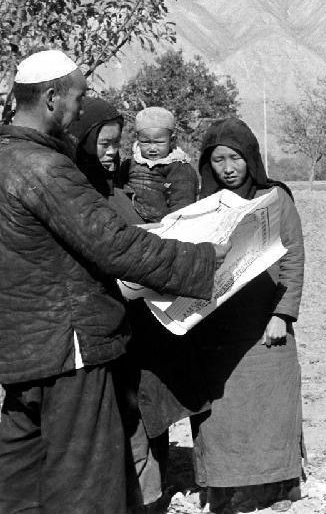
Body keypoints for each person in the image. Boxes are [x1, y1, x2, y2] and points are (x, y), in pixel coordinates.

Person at [0, 50, 224, 514]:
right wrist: (202, 259)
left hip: (20, 351)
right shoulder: (45, 168)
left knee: (21, 476)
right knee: (85, 482)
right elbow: (115, 245)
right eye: (79, 98)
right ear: (52, 97)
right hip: (70, 350)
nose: (81, 108)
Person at [189, 118, 305, 513]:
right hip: (216, 328)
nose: (228, 168)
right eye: (218, 159)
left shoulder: (276, 199)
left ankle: (277, 486)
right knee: (221, 414)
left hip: (265, 322)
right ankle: (224, 488)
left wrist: (282, 315)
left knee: (273, 407)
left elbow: (293, 258)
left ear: (250, 157)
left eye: (235, 158)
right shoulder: (202, 206)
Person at [122, 106, 199, 222]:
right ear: (138, 139)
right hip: (130, 218)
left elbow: (183, 201)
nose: (152, 148)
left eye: (159, 142)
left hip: (161, 223)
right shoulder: (130, 163)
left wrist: (174, 223)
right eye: (146, 142)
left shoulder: (178, 167)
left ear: (172, 140)